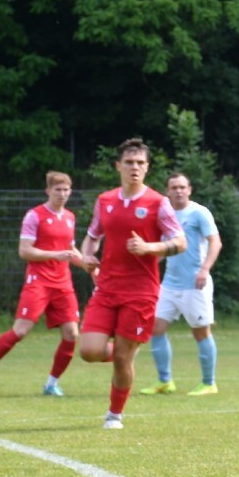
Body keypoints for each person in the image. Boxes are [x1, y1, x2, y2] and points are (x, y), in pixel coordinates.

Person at [78, 138, 186, 430]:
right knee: (89, 351)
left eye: (140, 163)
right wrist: (87, 256)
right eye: (129, 162)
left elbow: (180, 242)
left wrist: (149, 248)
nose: (134, 168)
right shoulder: (105, 200)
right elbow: (93, 234)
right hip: (107, 288)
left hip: (141, 292)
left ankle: (114, 414)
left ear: (147, 168)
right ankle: (123, 351)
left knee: (123, 358)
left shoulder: (158, 203)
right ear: (118, 166)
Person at [0, 171, 87, 398]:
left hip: (63, 283)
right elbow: (25, 251)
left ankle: (51, 384)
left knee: (71, 334)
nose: (62, 194)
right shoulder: (35, 216)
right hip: (38, 282)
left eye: (66, 190)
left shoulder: (70, 217)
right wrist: (55, 254)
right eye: (58, 189)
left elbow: (71, 252)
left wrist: (90, 267)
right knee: (21, 331)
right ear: (48, 191)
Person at [139, 173, 222, 397]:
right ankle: (165, 381)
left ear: (190, 189)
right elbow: (164, 247)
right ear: (167, 191)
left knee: (200, 332)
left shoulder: (199, 212)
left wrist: (204, 269)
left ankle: (208, 382)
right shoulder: (165, 215)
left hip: (195, 284)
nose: (178, 191)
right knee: (155, 328)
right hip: (169, 284)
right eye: (174, 187)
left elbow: (216, 242)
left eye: (182, 187)